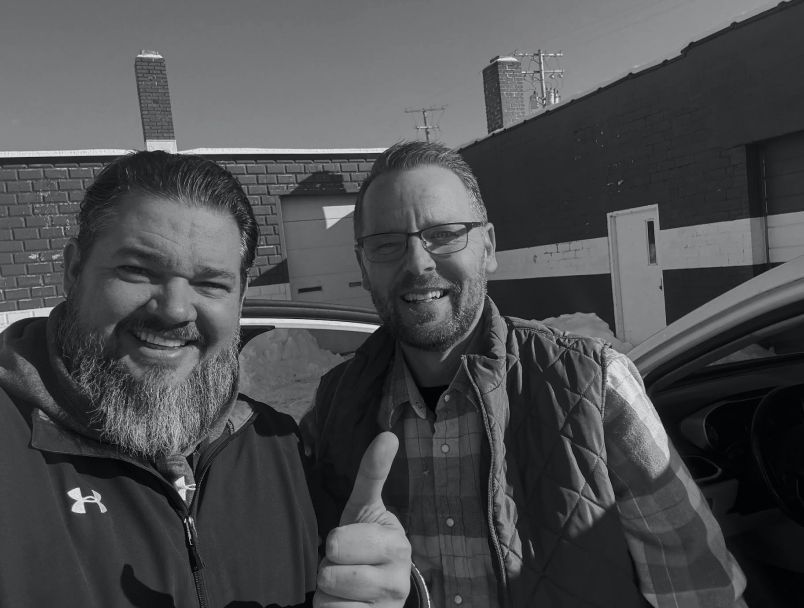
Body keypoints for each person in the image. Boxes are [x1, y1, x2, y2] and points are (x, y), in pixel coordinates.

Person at [301, 141, 748, 607]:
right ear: (362, 265)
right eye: (386, 244)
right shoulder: (334, 407)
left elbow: (702, 594)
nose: (418, 262)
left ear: (489, 247)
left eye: (445, 234)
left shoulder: (594, 386)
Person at [0, 151, 414, 608]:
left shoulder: (277, 448)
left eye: (211, 283)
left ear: (241, 296)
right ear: (73, 270)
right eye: (137, 270)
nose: (175, 309)